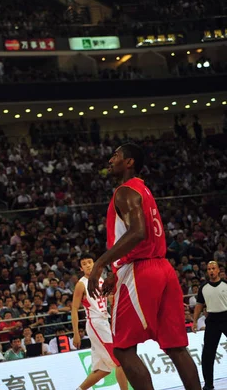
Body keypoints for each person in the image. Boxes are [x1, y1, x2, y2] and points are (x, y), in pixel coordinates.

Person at [87, 143, 201, 390]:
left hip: (141, 271)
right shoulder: (144, 190)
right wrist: (116, 273)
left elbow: (138, 233)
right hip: (163, 269)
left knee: (123, 349)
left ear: (129, 162)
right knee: (176, 347)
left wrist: (101, 263)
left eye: (115, 156)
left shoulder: (125, 191)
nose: (110, 160)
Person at [72, 255, 128, 390]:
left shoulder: (101, 280)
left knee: (103, 369)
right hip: (95, 324)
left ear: (95, 264)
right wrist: (76, 333)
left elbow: (106, 300)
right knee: (120, 361)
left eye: (90, 262)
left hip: (104, 322)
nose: (88, 265)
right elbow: (74, 309)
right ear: (81, 268)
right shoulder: (81, 284)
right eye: (84, 264)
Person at [194, 261, 227, 390]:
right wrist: (195, 321)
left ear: (218, 270)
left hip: (226, 317)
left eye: (213, 268)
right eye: (209, 269)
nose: (211, 271)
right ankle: (208, 385)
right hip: (212, 319)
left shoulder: (225, 285)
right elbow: (199, 305)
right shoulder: (203, 288)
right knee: (207, 354)